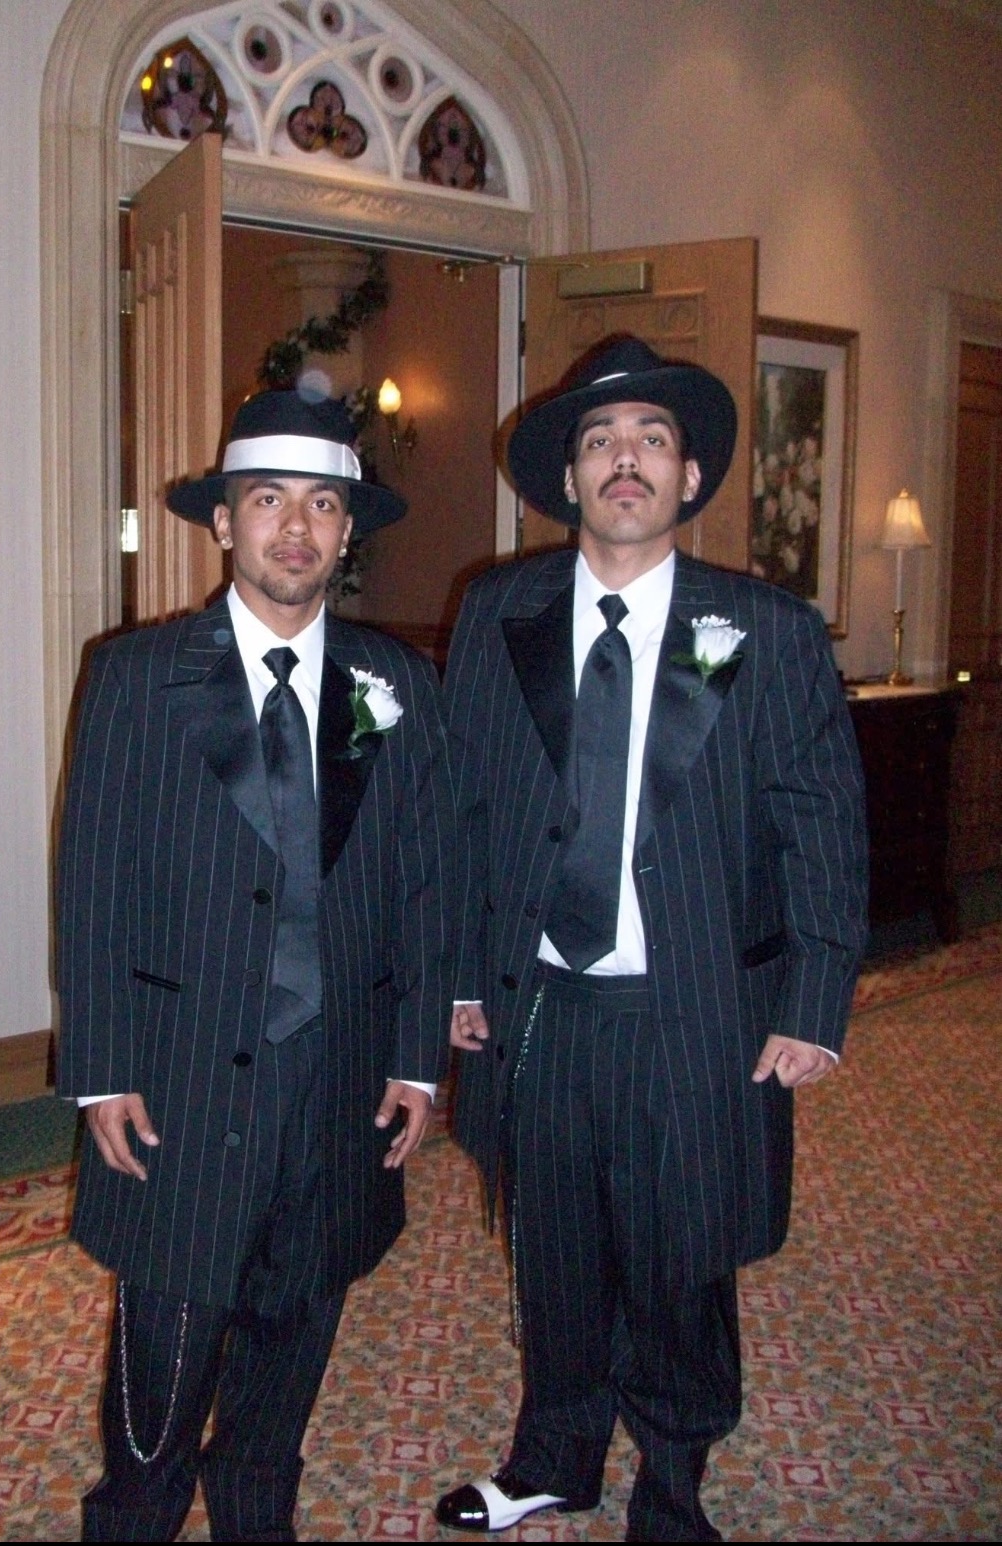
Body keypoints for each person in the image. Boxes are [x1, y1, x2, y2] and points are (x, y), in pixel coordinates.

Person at [435, 338, 867, 1540]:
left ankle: (673, 1485)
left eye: (652, 440)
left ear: (688, 477)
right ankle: (555, 1455)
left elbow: (823, 822)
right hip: (540, 1001)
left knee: (683, 1259)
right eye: (600, 441)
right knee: (552, 1247)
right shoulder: (501, 612)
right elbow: (458, 808)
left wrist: (814, 999)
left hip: (696, 1006)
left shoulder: (766, 628)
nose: (625, 459)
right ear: (570, 477)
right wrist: (456, 975)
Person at [56, 389, 455, 1543]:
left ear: (346, 530)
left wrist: (417, 1057)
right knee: (163, 1363)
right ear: (225, 522)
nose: (295, 526)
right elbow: (94, 884)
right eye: (268, 499)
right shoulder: (138, 678)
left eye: (322, 503)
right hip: (178, 1078)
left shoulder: (394, 683)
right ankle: (134, 1516)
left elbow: (428, 882)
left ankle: (254, 1514)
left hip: (337, 1078)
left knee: (293, 1335)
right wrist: (100, 1067)